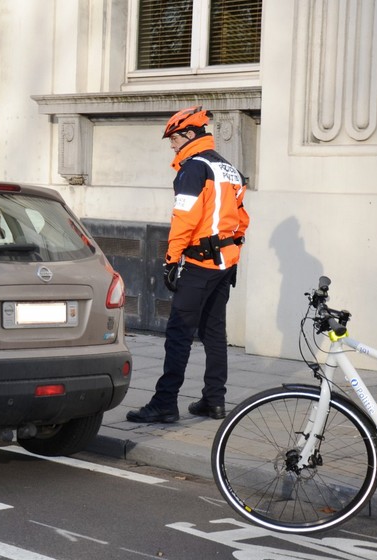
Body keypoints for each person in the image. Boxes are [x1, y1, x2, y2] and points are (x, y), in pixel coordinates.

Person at [126, 106, 250, 424]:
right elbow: (241, 219)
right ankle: (214, 401)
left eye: (174, 138)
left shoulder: (194, 168)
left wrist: (171, 259)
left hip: (200, 262)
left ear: (190, 134)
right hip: (225, 263)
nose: (172, 145)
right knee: (214, 332)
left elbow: (184, 218)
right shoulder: (228, 168)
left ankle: (165, 403)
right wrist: (232, 251)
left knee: (179, 332)